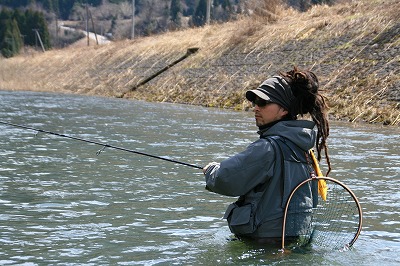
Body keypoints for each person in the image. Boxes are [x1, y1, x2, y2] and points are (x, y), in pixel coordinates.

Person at [203, 67, 331, 244]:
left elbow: (226, 179)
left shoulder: (267, 148)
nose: (256, 107)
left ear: (284, 110)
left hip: (264, 242)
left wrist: (211, 170)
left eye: (263, 102)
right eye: (255, 102)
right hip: (294, 239)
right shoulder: (304, 148)